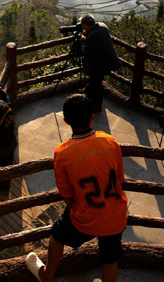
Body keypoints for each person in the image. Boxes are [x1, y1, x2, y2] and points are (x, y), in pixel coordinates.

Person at [26, 94, 128, 282]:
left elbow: (67, 194)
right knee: (110, 260)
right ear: (92, 117)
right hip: (116, 214)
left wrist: (78, 209)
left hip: (85, 216)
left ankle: (47, 275)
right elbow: (119, 179)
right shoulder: (110, 141)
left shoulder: (62, 153)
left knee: (57, 234)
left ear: (65, 121)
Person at [79, 13, 121, 112]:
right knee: (96, 82)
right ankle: (88, 96)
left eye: (82, 25)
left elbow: (86, 51)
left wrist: (83, 41)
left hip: (99, 65)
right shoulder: (102, 26)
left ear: (85, 24)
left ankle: (96, 106)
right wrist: (87, 34)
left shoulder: (93, 35)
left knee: (96, 84)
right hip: (106, 61)